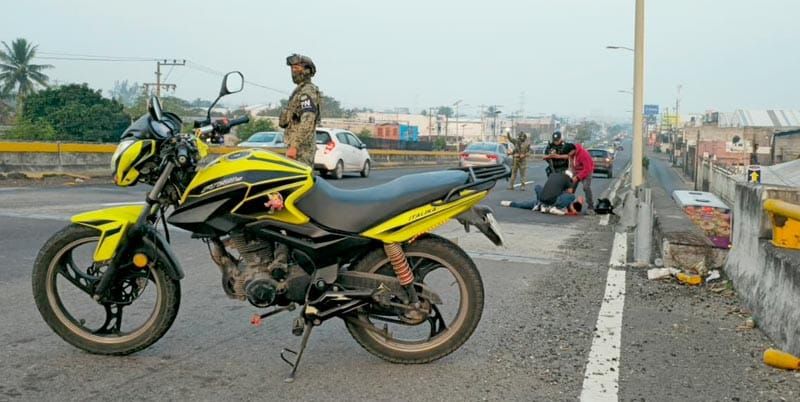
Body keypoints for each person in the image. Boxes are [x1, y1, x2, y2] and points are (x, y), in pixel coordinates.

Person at [279, 53, 322, 167]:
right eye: (292, 68)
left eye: (297, 68)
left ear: (307, 70)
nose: (293, 71)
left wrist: (294, 146)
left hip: (302, 150)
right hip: (297, 148)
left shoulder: (307, 91)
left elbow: (308, 120)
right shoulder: (299, 90)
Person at [500, 170, 584, 215]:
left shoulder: (553, 175)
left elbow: (552, 188)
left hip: (542, 199)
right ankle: (551, 207)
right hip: (552, 201)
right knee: (571, 196)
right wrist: (574, 208)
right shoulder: (567, 179)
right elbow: (570, 193)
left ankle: (508, 203)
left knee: (535, 190)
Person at [569, 143, 595, 213]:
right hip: (576, 172)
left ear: (573, 150)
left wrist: (578, 177)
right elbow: (572, 165)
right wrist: (572, 174)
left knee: (586, 187)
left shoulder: (583, 154)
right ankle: (568, 205)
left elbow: (588, 169)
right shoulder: (571, 154)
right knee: (570, 187)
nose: (569, 154)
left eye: (569, 152)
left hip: (586, 172)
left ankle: (591, 207)